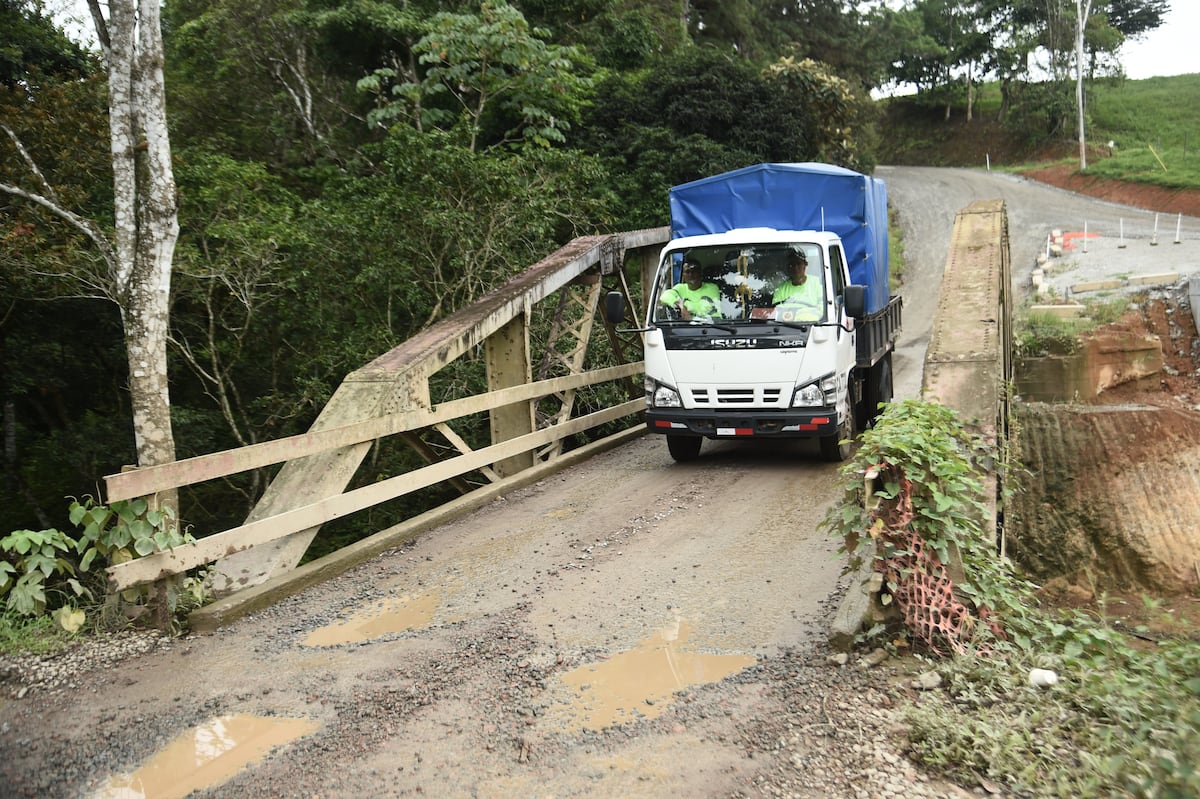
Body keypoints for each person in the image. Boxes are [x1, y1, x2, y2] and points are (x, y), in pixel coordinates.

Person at [772, 250, 823, 321]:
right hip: (786, 327)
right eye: (792, 265)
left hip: (814, 326)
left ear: (805, 266)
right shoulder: (781, 289)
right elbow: (776, 313)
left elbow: (823, 309)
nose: (795, 268)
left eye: (798, 264)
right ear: (788, 268)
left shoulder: (818, 283)